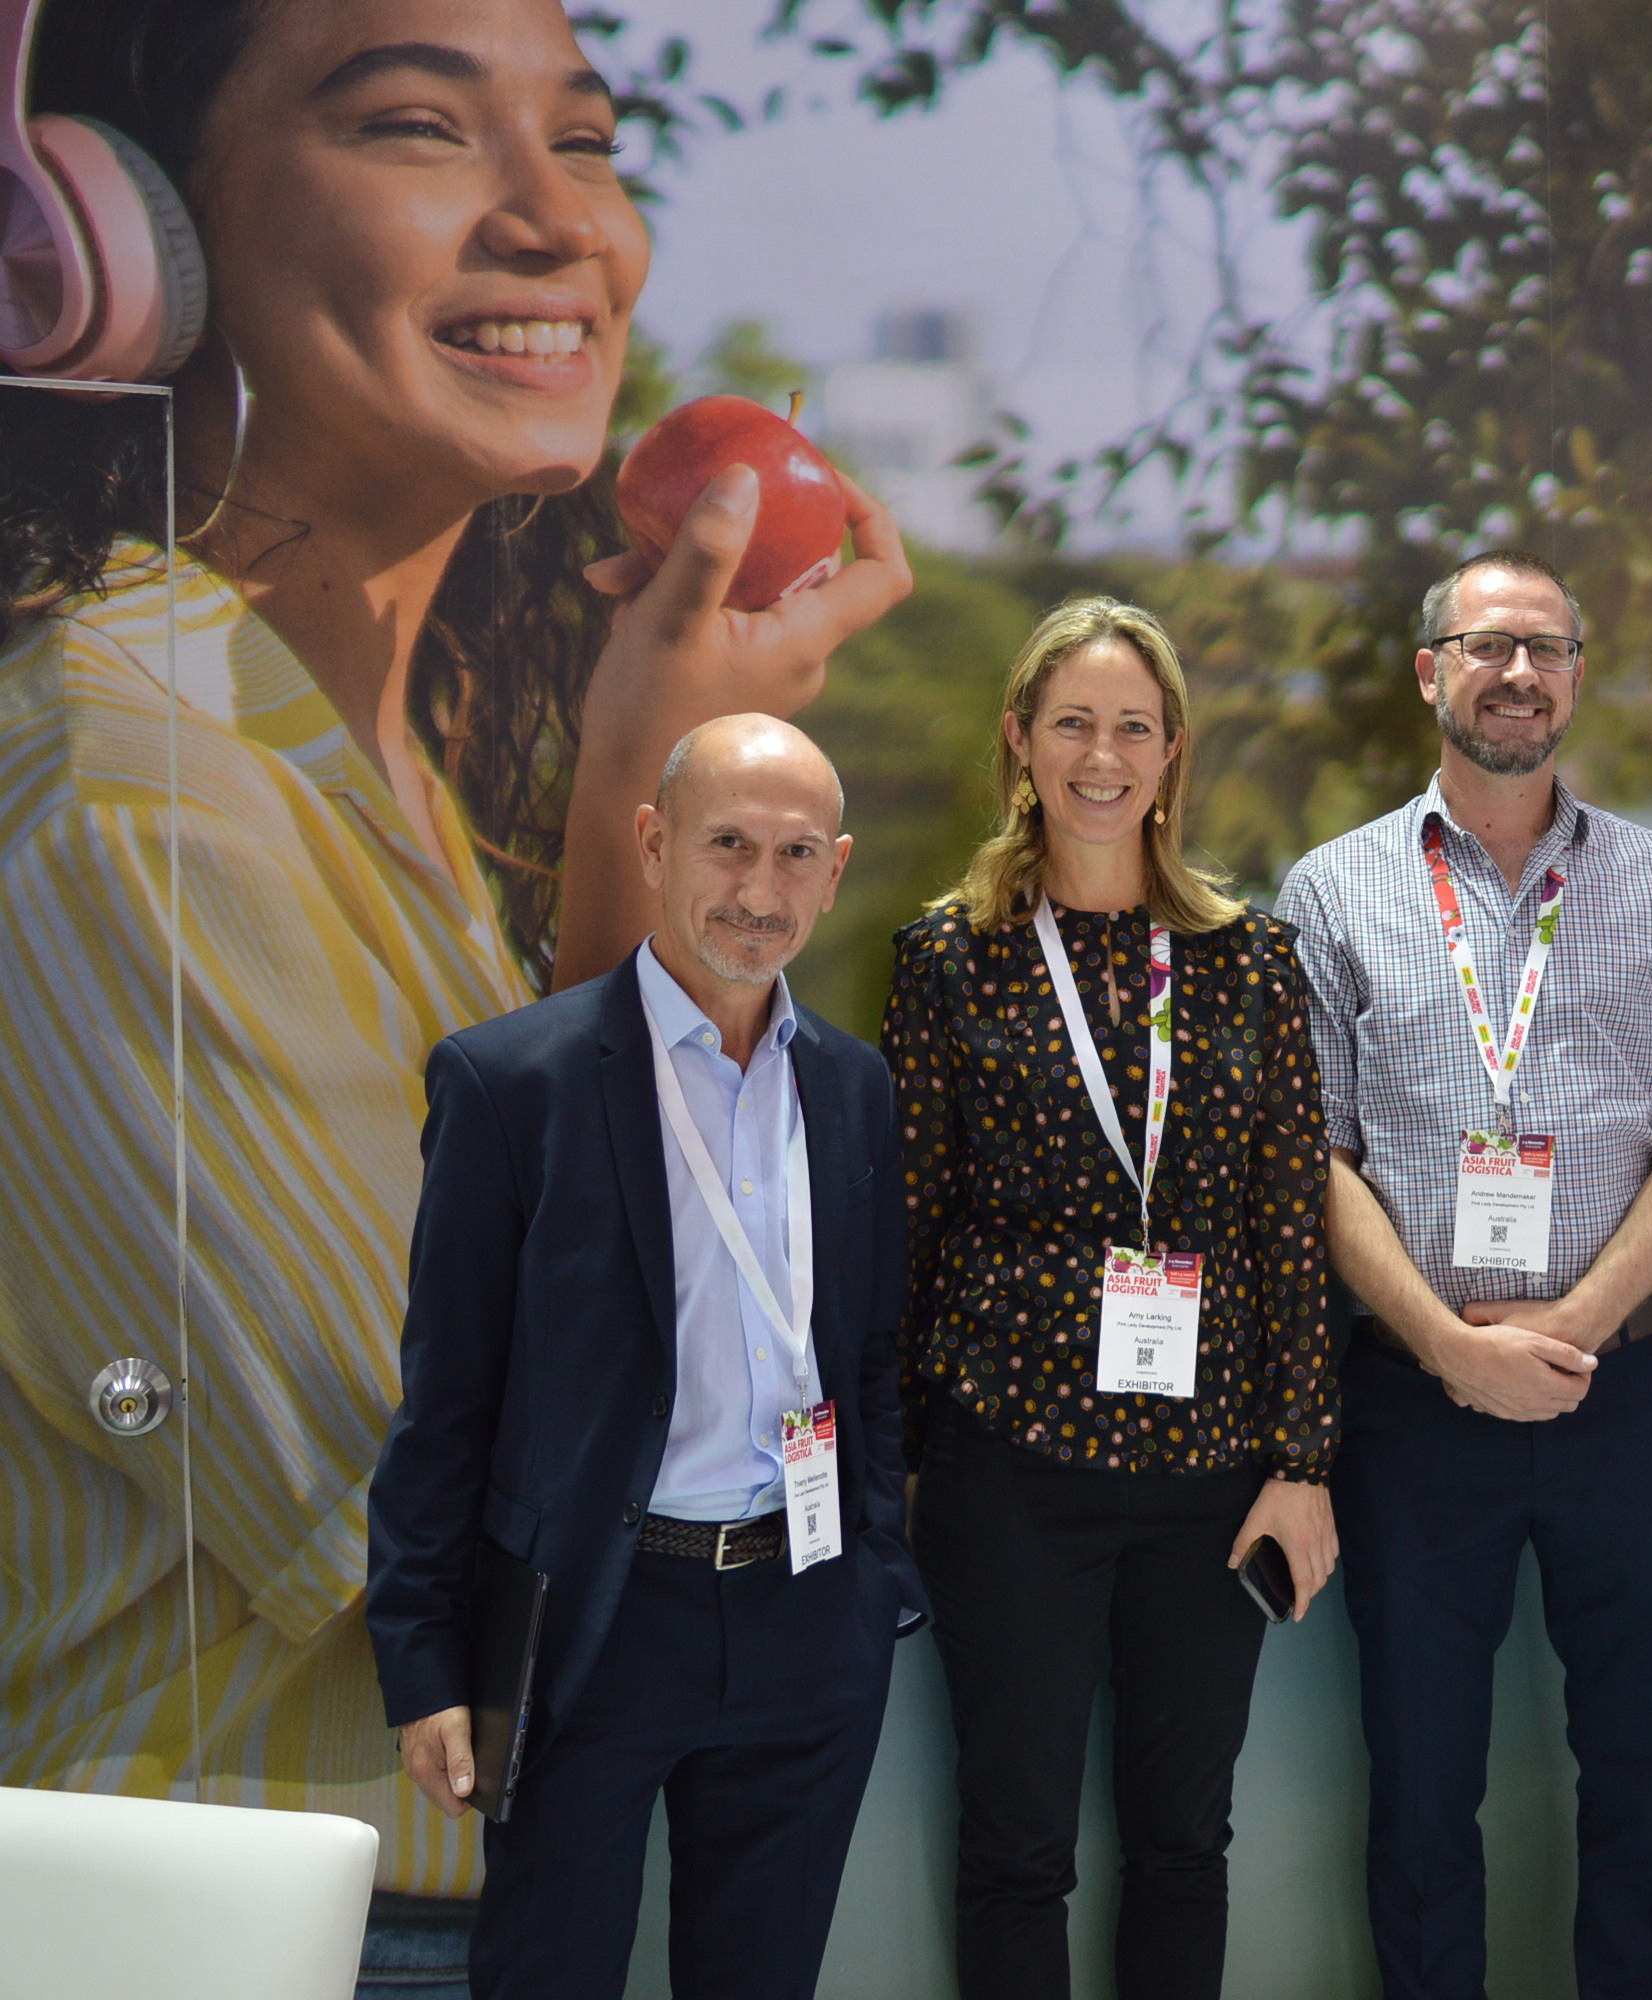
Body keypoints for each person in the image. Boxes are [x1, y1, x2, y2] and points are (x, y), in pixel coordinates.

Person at [0, 0, 909, 1966]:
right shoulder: (137, 808)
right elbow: (452, 1501)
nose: (556, 221)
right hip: (266, 1931)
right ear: (114, 225)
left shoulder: (333, 766)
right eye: (417, 126)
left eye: (583, 141)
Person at [365, 714, 922, 1998]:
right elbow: (445, 1398)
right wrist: (424, 1660)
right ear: (656, 842)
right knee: (548, 1972)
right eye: (728, 844)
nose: (760, 889)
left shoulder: (853, 1088)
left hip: (803, 1612)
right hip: (592, 1618)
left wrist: (873, 1577)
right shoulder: (514, 1083)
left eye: (795, 853)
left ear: (835, 868)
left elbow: (870, 1356)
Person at [1274, 547, 1652, 2000]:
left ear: (1578, 677)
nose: (1518, 674)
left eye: (1545, 649)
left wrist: (1574, 1327)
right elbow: (1312, 1155)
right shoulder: (1332, 888)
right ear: (1432, 672)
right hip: (1413, 1409)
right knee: (1421, 1788)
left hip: (1628, 1394)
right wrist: (1449, 1346)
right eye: (1487, 646)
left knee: (1643, 1774)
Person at [883, 597, 1338, 2000]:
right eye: (1072, 723)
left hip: (1211, 1475)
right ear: (1020, 741)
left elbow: (1288, 1227)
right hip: (1008, 1464)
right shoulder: (946, 957)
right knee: (1015, 1850)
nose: (1102, 755)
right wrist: (899, 1461)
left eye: (1132, 726)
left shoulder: (1250, 960)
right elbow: (908, 1224)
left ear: (1171, 750)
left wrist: (1302, 1463)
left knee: (1183, 1842)